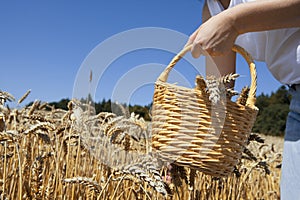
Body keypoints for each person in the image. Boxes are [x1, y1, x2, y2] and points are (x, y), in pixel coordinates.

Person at [185, 0, 300, 199]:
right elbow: (220, 94)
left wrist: (235, 22)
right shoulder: (211, 10)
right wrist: (185, 143)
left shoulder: (224, 15)